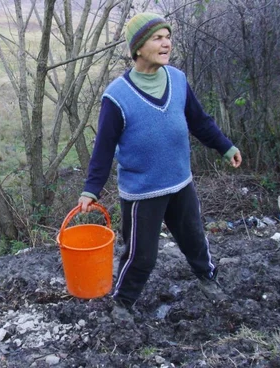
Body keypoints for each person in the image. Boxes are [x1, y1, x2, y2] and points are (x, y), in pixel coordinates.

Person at [78, 13, 242, 322]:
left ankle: (208, 279)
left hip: (181, 183)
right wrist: (91, 188)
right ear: (138, 47)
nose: (166, 42)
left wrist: (225, 146)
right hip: (143, 192)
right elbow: (103, 147)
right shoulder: (116, 96)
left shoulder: (178, 80)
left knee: (195, 238)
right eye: (157, 38)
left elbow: (199, 121)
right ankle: (123, 304)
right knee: (142, 256)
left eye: (168, 36)